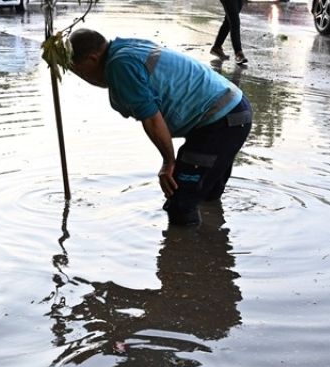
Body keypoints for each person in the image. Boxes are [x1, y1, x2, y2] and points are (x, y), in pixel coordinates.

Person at [68, 28, 253, 227]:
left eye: (79, 71)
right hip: (233, 112)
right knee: (206, 194)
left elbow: (152, 119)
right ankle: (212, 246)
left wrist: (168, 163)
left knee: (180, 203)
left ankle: (184, 252)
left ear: (93, 59)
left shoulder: (119, 65)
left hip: (222, 121)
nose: (82, 78)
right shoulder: (125, 47)